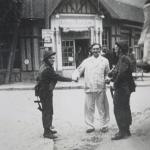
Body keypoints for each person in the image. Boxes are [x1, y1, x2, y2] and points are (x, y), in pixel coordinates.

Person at [37, 50, 76, 139]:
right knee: (48, 112)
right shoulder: (47, 69)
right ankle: (47, 132)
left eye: (53, 58)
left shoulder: (45, 66)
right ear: (46, 59)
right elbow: (58, 77)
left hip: (44, 91)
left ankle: (48, 128)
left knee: (47, 111)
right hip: (45, 92)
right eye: (51, 58)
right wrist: (72, 79)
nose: (53, 59)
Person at [72, 43, 110, 133]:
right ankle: (90, 126)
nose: (96, 51)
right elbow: (79, 70)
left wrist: (108, 78)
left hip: (100, 87)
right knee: (89, 108)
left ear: (100, 50)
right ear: (91, 50)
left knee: (102, 108)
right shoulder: (87, 61)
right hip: (89, 87)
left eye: (97, 49)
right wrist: (75, 76)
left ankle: (104, 125)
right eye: (94, 49)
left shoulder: (105, 61)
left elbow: (108, 73)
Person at [108, 41, 136, 140]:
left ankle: (122, 132)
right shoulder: (122, 58)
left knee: (118, 109)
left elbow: (121, 74)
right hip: (124, 88)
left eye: (115, 47)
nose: (114, 49)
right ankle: (126, 130)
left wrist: (114, 84)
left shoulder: (123, 58)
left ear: (120, 49)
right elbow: (118, 72)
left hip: (122, 88)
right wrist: (111, 78)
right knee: (124, 108)